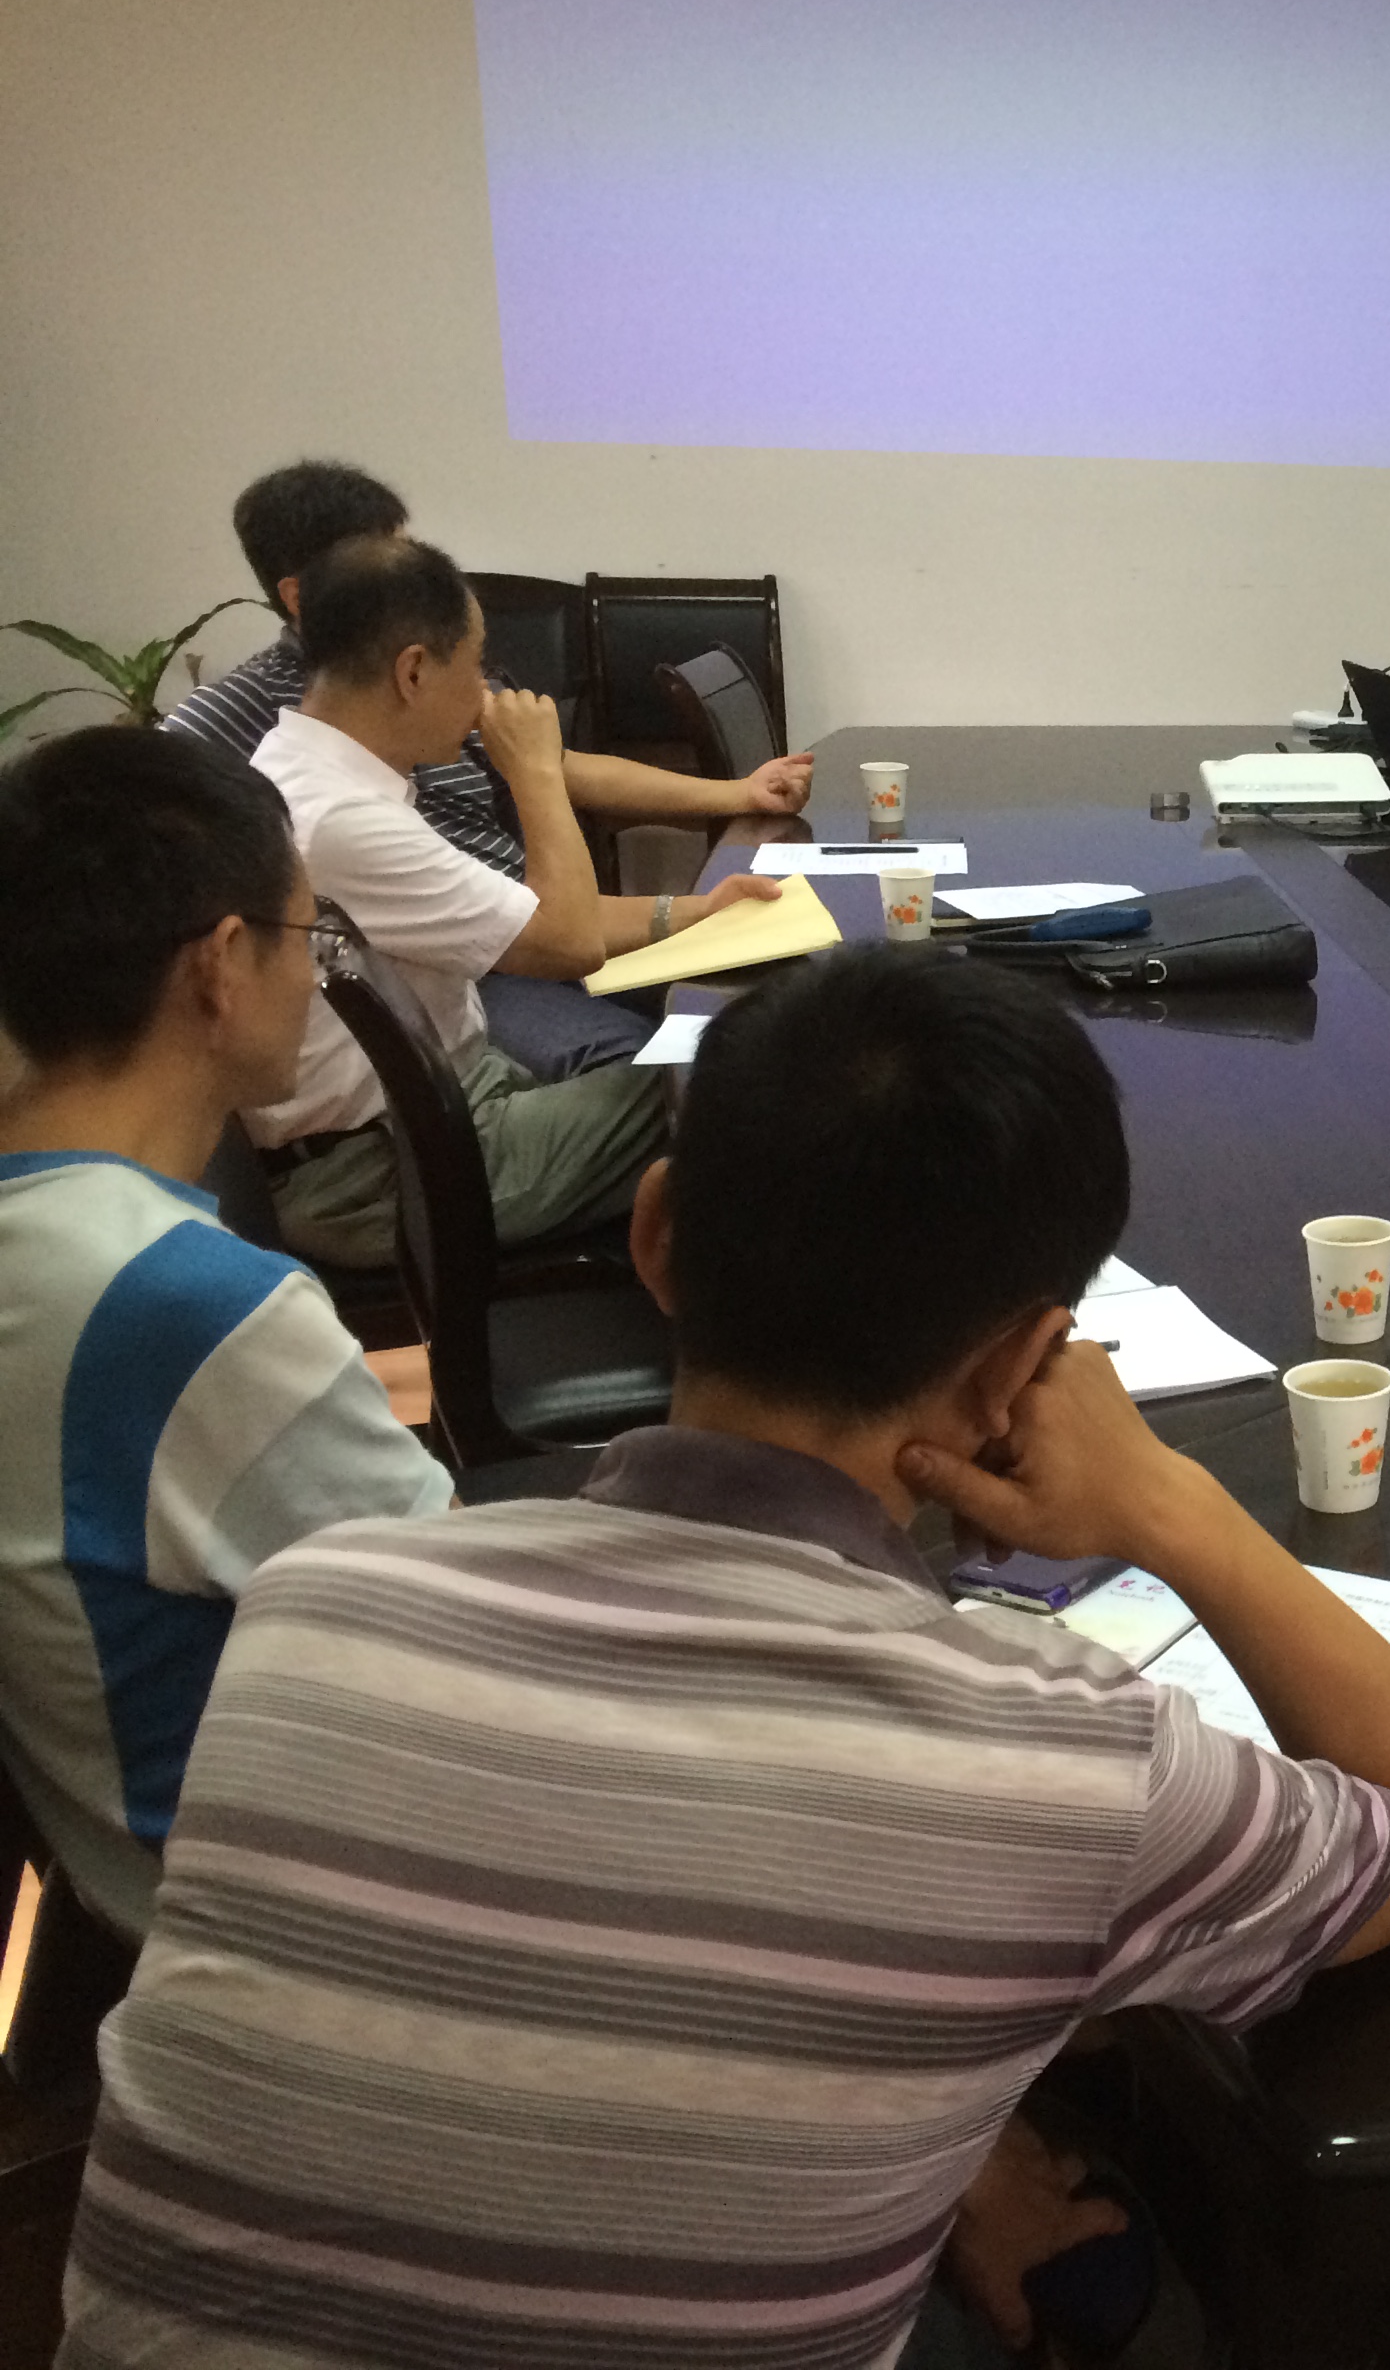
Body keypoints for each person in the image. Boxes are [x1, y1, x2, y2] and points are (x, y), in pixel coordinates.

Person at [61, 947, 1390, 2368]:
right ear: (1022, 1363)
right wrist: (1170, 1505)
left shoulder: (313, 1609)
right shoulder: (1066, 1773)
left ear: (655, 1236)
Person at [0, 732, 449, 1941]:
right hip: (273, 1917)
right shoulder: (185, 1307)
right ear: (220, 966)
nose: (315, 977)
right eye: (307, 938)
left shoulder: (60, 1241)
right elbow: (462, 1634)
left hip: (122, 1871)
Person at [159, 459, 816, 1075]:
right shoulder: (262, 738)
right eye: (390, 560)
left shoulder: (417, 682)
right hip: (486, 967)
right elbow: (558, 923)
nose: (420, 576)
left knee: (767, 1009)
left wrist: (733, 806)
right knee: (665, 1065)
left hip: (515, 922)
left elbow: (559, 770)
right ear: (302, 595)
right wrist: (536, 776)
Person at [243, 532, 780, 1268]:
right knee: (743, 1083)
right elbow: (568, 942)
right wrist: (536, 772)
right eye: (476, 665)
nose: (487, 691)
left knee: (711, 1059)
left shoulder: (305, 769)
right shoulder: (340, 820)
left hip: (433, 1105)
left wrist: (701, 909)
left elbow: (529, 917)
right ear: (413, 671)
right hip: (380, 1174)